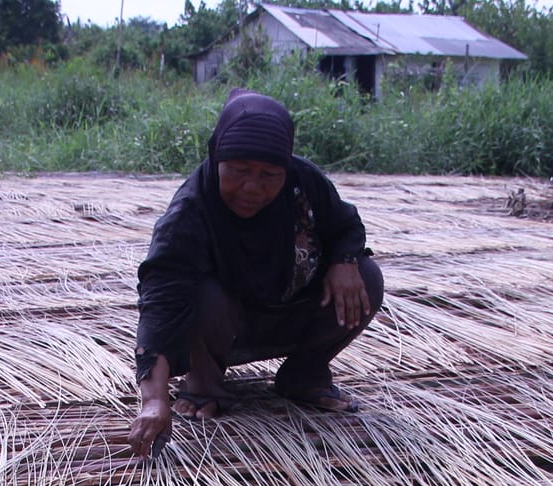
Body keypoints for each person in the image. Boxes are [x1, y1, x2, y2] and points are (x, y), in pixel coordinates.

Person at [126, 89, 385, 457]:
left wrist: (345, 260)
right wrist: (153, 401)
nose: (252, 187)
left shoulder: (304, 184)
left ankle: (304, 373)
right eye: (240, 171)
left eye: (269, 175)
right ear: (217, 158)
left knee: (367, 277)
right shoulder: (189, 212)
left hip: (286, 312)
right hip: (215, 329)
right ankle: (204, 383)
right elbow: (161, 303)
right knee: (203, 294)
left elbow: (346, 226)